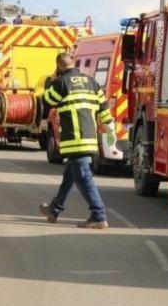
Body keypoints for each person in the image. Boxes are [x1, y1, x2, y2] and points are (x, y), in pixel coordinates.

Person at [39, 53, 116, 229]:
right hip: (89, 138)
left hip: (74, 139)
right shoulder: (91, 82)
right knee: (70, 175)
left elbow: (46, 101)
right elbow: (104, 108)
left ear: (59, 66)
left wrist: (51, 80)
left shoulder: (61, 83)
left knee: (83, 177)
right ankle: (54, 209)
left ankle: (98, 215)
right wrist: (110, 128)